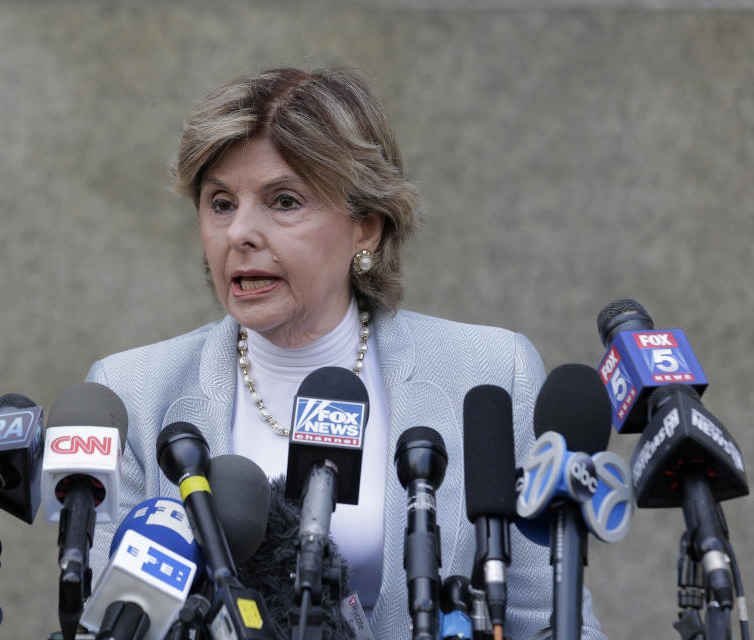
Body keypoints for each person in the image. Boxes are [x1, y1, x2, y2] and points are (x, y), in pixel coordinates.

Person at [86, 67, 605, 639]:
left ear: (368, 227)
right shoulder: (131, 394)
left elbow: (549, 622)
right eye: (221, 203)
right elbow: (107, 622)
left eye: (284, 201)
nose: (240, 234)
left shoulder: (490, 373)